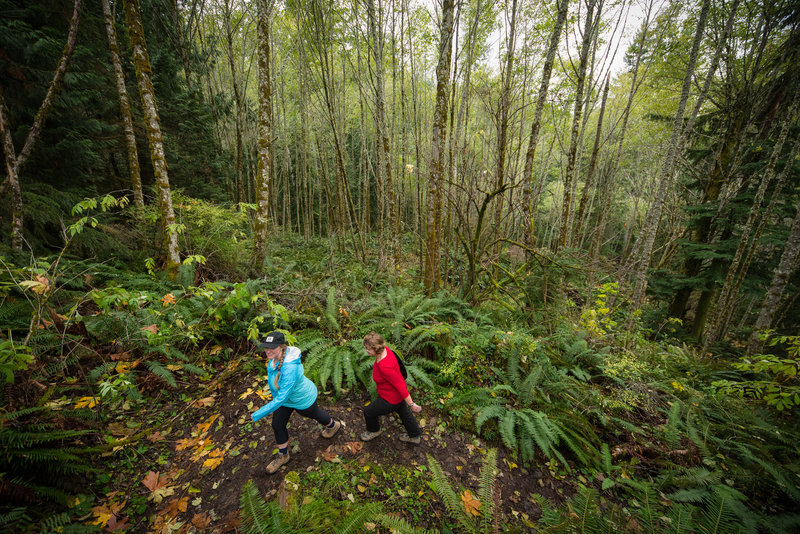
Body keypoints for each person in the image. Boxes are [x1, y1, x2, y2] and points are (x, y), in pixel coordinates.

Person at [252, 331, 343, 473]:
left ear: (281, 347)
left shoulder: (289, 368)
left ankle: (333, 425)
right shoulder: (275, 358)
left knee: (314, 414)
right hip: (285, 399)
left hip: (302, 399)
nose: (268, 351)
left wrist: (258, 414)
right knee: (277, 424)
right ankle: (283, 456)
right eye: (266, 347)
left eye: (272, 347)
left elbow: (282, 396)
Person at [361, 331, 423, 444]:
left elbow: (399, 385)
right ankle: (414, 436)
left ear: (377, 349)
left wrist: (412, 404)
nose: (366, 350)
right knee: (404, 413)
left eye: (368, 349)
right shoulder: (386, 350)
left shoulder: (385, 366)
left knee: (369, 412)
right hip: (396, 395)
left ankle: (373, 431)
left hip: (390, 399)